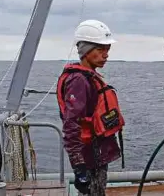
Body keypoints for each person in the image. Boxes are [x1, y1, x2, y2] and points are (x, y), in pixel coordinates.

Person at [56, 19, 125, 196]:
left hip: (96, 155)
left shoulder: (88, 77)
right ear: (86, 50)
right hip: (89, 157)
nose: (106, 55)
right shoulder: (79, 81)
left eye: (107, 50)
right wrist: (79, 168)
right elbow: (71, 125)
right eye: (100, 50)